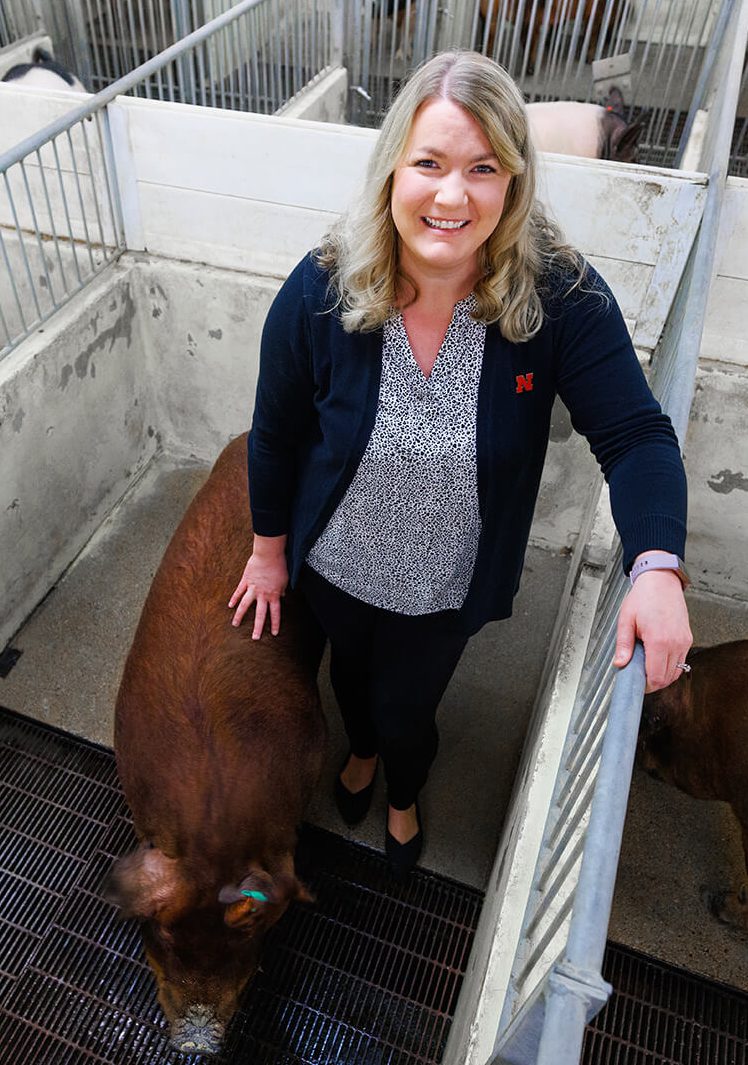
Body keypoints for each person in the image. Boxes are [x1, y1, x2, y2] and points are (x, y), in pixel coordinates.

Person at [228, 51, 692, 874]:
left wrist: (657, 564)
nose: (452, 196)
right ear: (392, 171)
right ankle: (360, 751)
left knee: (410, 708)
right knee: (350, 685)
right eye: (430, 164)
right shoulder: (325, 285)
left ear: (513, 181)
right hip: (336, 565)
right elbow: (275, 432)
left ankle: (402, 788)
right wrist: (269, 556)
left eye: (483, 168)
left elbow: (636, 437)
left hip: (446, 585)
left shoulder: (559, 299)